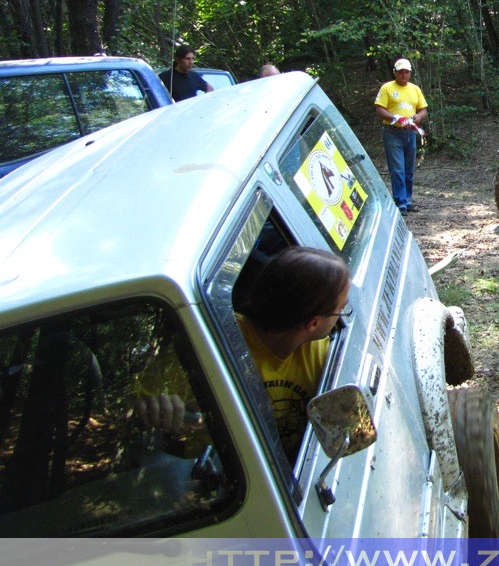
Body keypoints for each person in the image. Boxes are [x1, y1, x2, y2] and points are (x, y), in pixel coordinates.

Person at [135, 245, 351, 462]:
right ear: (313, 323)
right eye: (340, 310)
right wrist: (155, 408)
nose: (340, 317)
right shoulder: (208, 345)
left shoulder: (320, 352)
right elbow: (138, 411)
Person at [373, 57, 428, 214]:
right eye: (400, 72)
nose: (403, 75)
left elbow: (423, 109)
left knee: (409, 169)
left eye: (406, 72)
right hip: (392, 132)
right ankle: (400, 203)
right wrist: (395, 118)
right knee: (397, 169)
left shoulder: (415, 89)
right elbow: (379, 110)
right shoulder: (387, 88)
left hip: (410, 132)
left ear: (410, 73)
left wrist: (419, 117)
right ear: (395, 73)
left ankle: (408, 200)